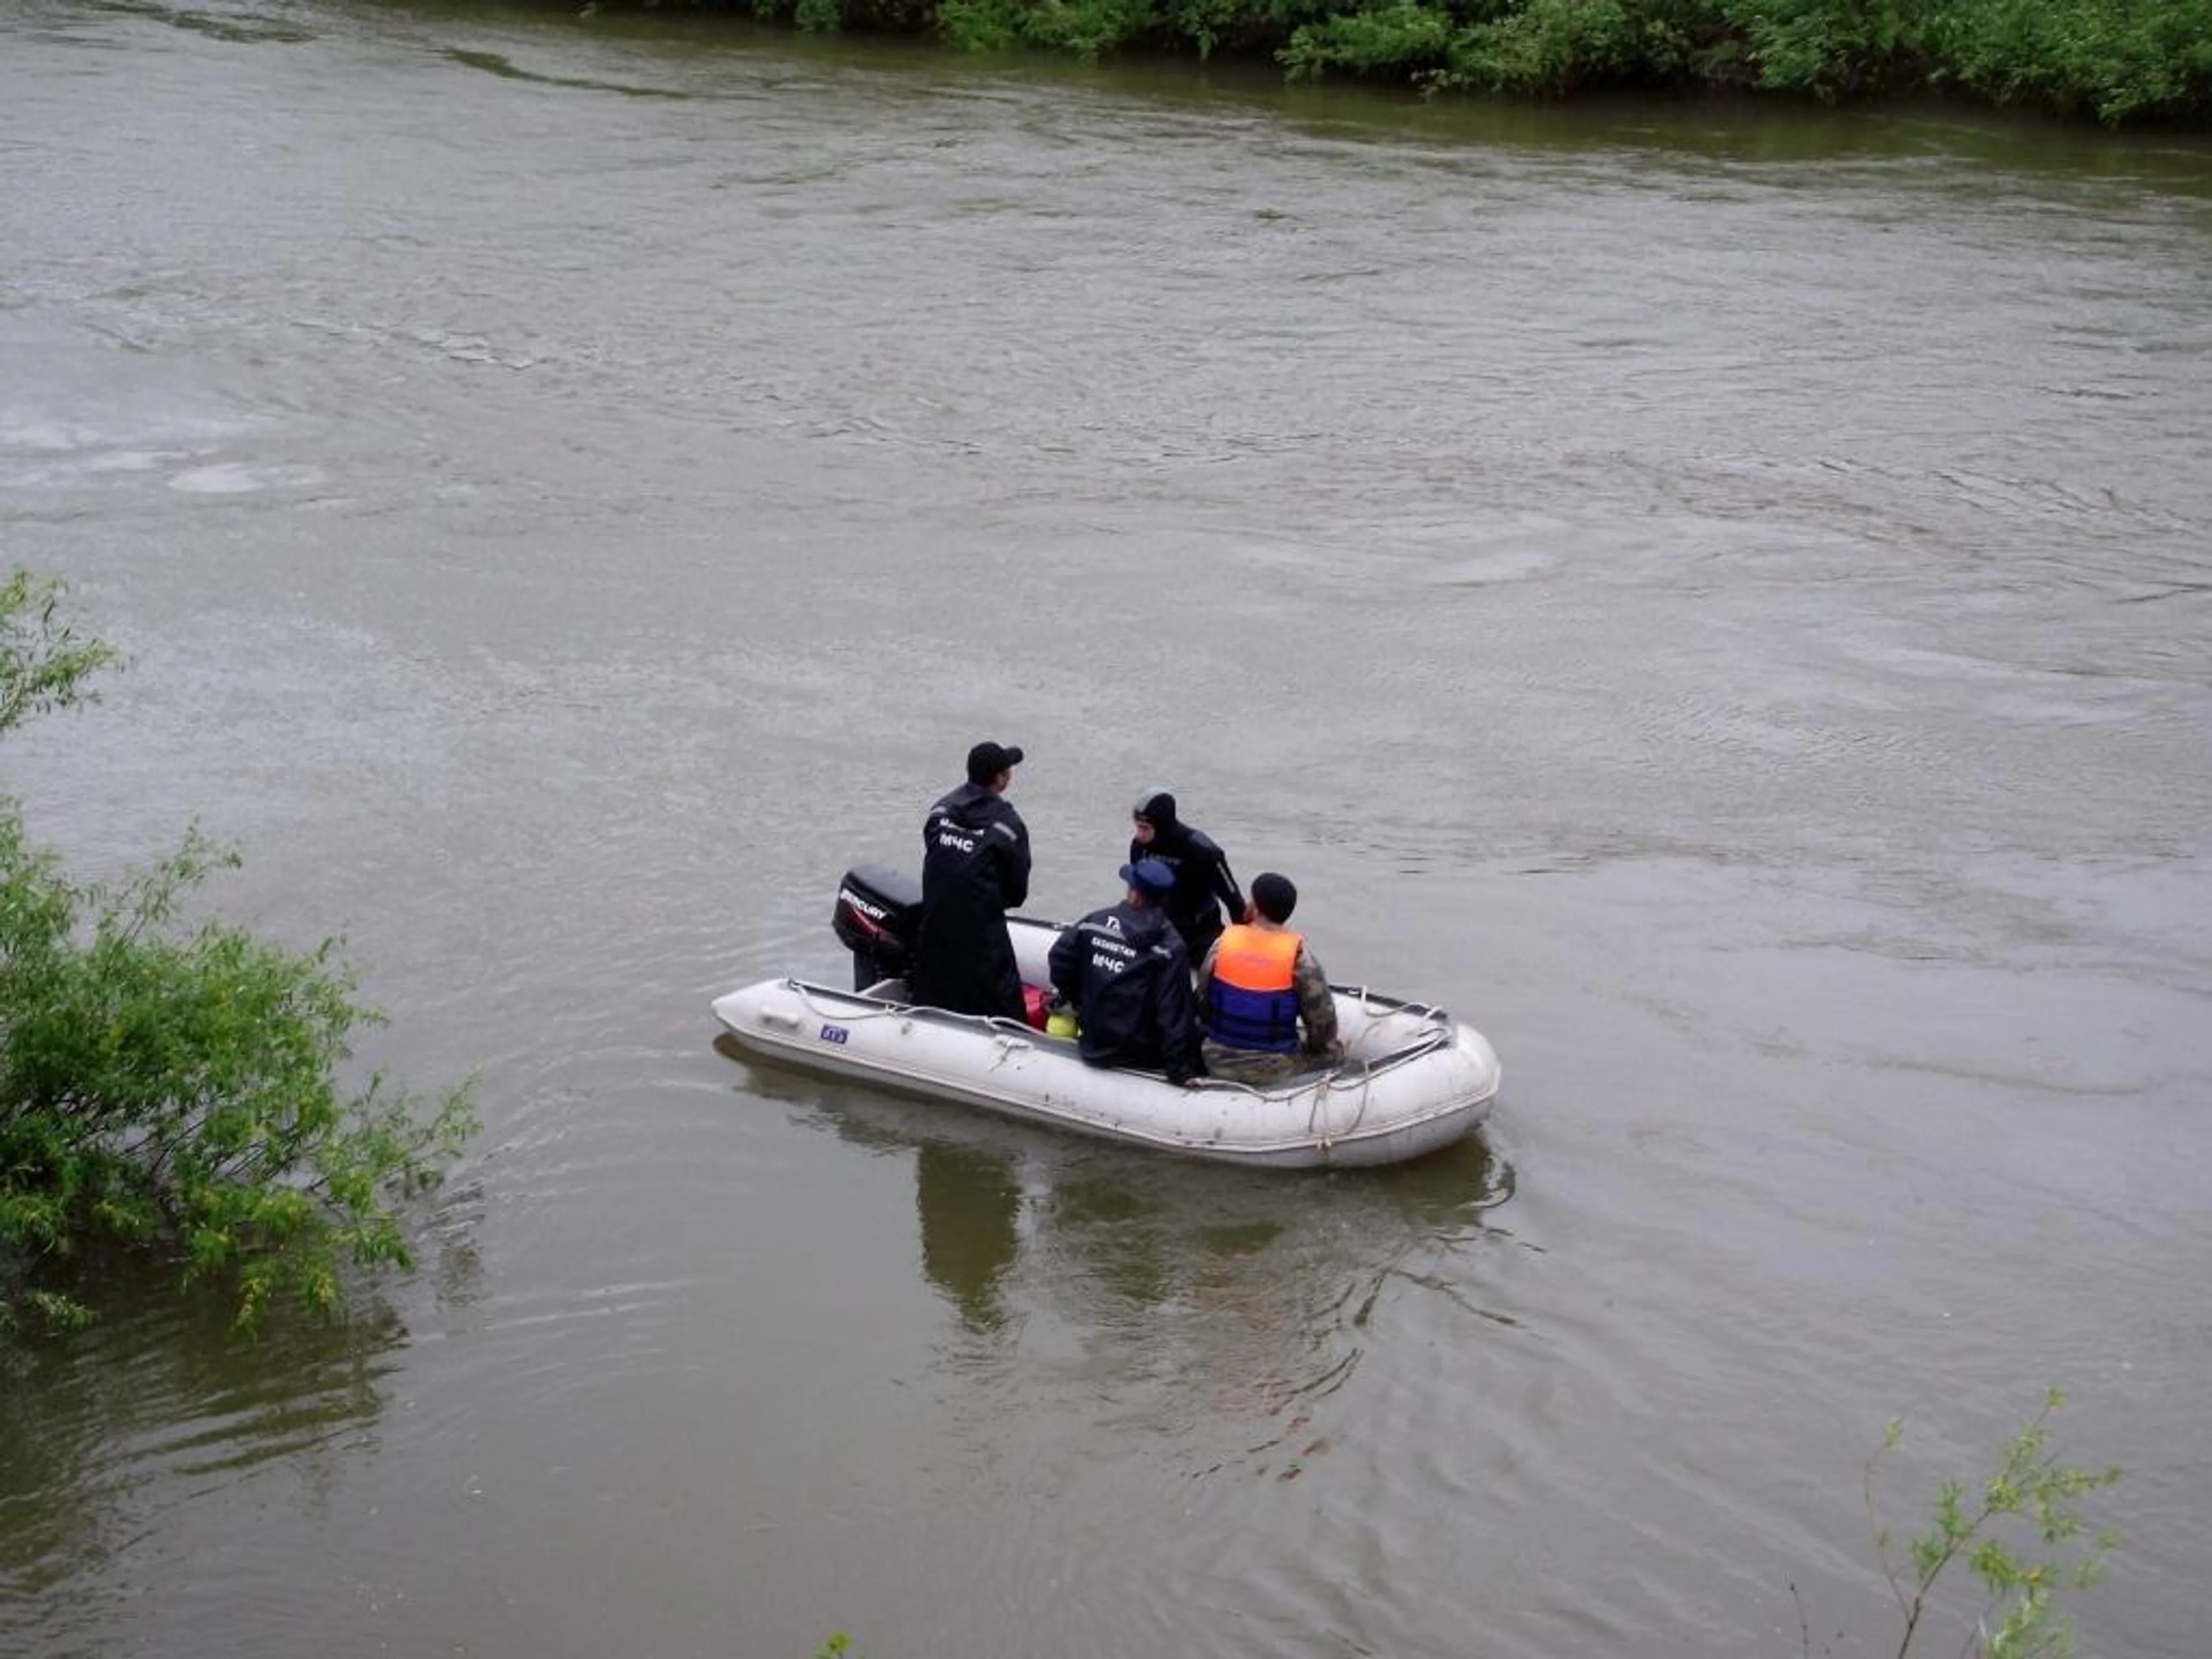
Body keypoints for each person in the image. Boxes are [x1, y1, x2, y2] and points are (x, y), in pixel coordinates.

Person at [1048, 858, 1206, 1086]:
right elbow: (1173, 1014)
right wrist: (1181, 1071)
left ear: (1135, 894)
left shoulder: (1093, 923)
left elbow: (1060, 962)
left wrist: (1078, 999)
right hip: (1140, 1053)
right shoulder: (1172, 947)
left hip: (1093, 1040)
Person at [912, 740, 1032, 1020]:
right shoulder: (1009, 827)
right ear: (1001, 779)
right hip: (981, 934)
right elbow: (1017, 894)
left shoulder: (939, 813)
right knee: (1005, 1005)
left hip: (934, 927)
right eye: (1008, 770)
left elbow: (941, 864)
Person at [1194, 872, 1343, 1086]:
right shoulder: (1301, 960)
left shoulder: (1222, 946)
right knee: (1334, 1053)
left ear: (1256, 908)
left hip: (1216, 1060)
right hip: (1275, 1070)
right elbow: (1323, 1024)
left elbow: (1202, 998)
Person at [1128, 788, 1244, 966]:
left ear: (1162, 826)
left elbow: (1234, 901)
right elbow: (1136, 894)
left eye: (1144, 828)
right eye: (1138, 828)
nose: (1139, 835)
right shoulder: (1140, 847)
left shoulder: (1203, 851)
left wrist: (1246, 945)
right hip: (1159, 929)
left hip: (1200, 933)